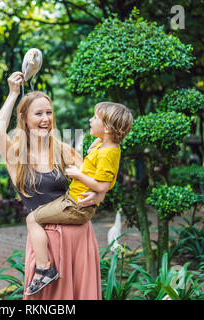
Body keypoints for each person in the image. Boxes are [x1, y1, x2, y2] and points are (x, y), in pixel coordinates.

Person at [0, 71, 105, 299]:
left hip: (78, 237)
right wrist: (13, 93)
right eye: (38, 114)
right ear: (24, 118)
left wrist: (98, 197)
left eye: (49, 112)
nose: (46, 119)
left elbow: (95, 183)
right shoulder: (16, 155)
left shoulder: (64, 150)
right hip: (47, 242)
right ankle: (45, 270)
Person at [24, 101, 133, 296]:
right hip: (72, 200)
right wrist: (97, 142)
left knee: (32, 219)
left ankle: (44, 269)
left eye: (95, 118)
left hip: (76, 206)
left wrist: (78, 175)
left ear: (107, 128)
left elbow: (102, 185)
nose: (90, 120)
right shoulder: (105, 145)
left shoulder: (108, 152)